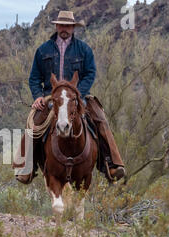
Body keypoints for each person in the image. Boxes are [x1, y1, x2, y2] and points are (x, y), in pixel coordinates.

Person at [14, 10, 126, 184]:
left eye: (68, 25)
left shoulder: (84, 49)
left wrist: (78, 94)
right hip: (51, 98)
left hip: (78, 97)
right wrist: (37, 96)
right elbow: (34, 77)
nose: (64, 28)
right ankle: (25, 168)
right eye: (61, 25)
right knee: (33, 124)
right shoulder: (43, 50)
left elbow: (90, 74)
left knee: (100, 119)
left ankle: (111, 164)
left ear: (73, 28)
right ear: (57, 26)